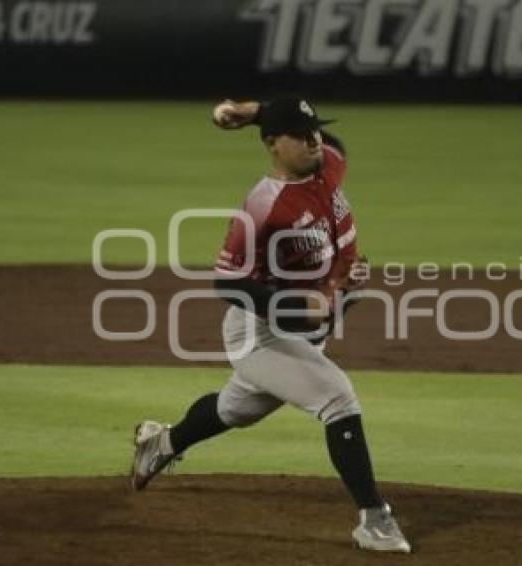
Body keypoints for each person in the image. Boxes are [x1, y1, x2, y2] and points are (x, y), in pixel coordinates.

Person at [130, 97, 411, 554]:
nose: (313, 140)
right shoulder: (262, 207)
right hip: (260, 333)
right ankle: (374, 518)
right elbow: (229, 285)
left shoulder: (326, 165)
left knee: (236, 408)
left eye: (314, 130)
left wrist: (258, 110)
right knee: (337, 397)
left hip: (308, 324)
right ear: (273, 146)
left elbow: (333, 144)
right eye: (300, 135)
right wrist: (299, 307)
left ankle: (160, 444)